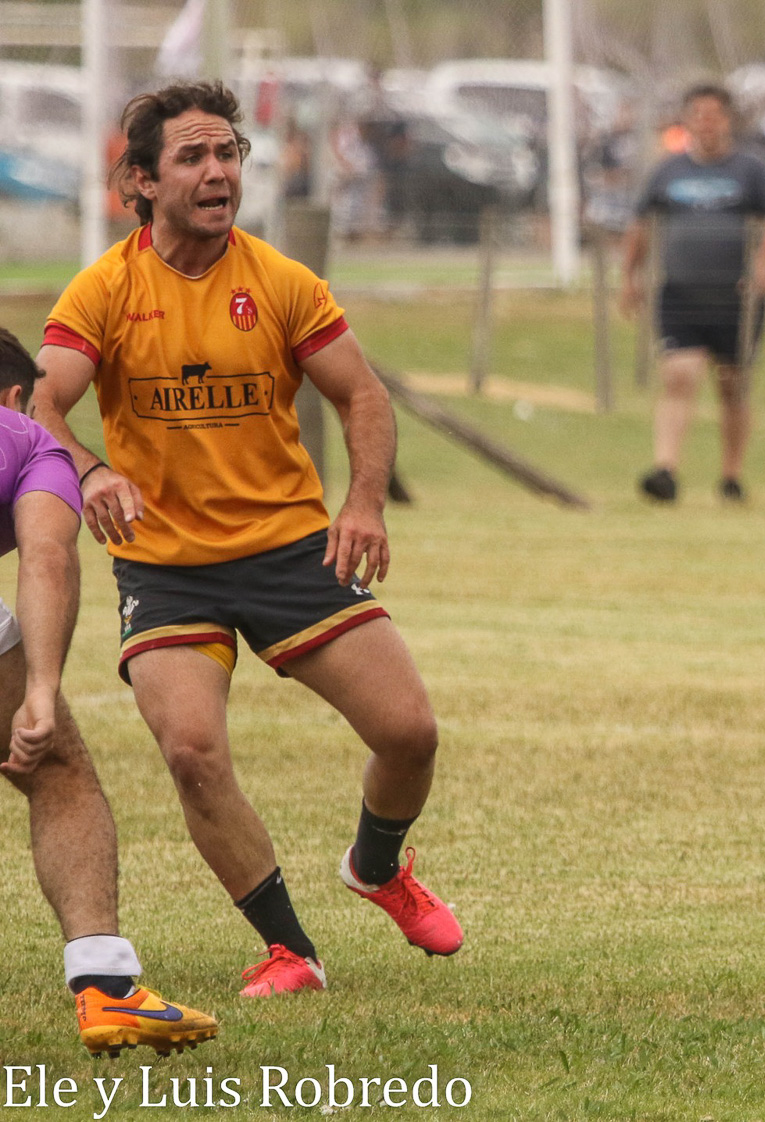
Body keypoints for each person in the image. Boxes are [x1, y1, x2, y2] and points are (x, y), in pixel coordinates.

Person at [31, 80, 462, 998]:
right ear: (139, 183)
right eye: (194, 156)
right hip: (165, 566)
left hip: (288, 551)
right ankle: (289, 951)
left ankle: (377, 867)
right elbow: (43, 405)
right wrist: (94, 470)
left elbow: (363, 395)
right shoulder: (105, 288)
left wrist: (365, 506)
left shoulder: (279, 281)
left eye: (228, 153)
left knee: (411, 733)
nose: (219, 170)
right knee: (190, 749)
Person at [0, 327, 217, 1056]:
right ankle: (106, 990)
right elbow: (48, 555)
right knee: (59, 773)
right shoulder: (29, 441)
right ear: (15, 396)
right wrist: (40, 690)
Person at [622, 84, 765, 504]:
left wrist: (762, 265)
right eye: (698, 113)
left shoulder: (750, 171)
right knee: (679, 375)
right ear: (687, 120)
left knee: (732, 385)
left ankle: (730, 476)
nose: (706, 122)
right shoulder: (668, 171)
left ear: (727, 120)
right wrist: (630, 276)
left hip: (735, 297)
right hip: (680, 293)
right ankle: (666, 471)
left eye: (714, 114)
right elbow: (641, 224)